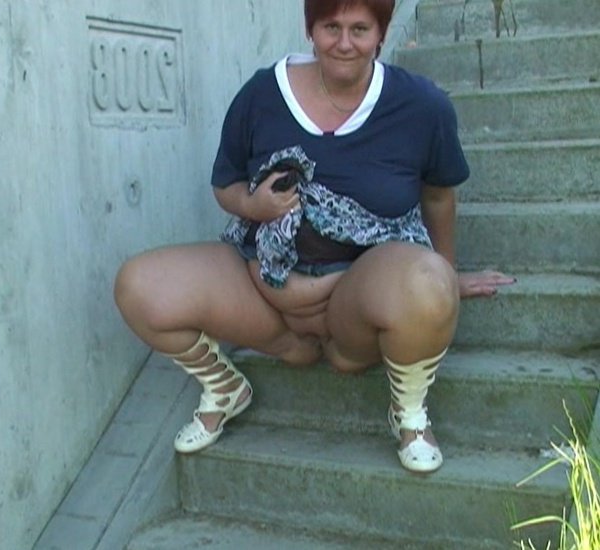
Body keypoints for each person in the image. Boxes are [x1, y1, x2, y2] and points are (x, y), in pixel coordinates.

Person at [114, 0, 515, 473]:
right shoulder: (263, 93)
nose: (344, 43)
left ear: (382, 33)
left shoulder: (422, 106)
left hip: (360, 298)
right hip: (266, 295)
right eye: (330, 27)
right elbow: (225, 183)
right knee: (139, 286)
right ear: (310, 29)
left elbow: (439, 196)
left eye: (360, 29)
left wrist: (446, 274)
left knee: (428, 284)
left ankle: (409, 414)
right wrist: (254, 206)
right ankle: (226, 387)